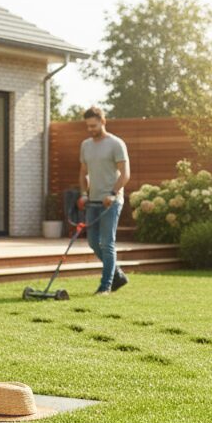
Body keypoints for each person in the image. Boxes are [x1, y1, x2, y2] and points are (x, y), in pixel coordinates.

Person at [79, 106, 130, 294]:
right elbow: (83, 173)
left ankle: (105, 286)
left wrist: (113, 193)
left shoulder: (116, 144)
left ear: (103, 122)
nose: (90, 129)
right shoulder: (85, 145)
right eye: (88, 126)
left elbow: (125, 173)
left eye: (93, 125)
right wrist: (84, 194)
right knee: (93, 242)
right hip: (93, 201)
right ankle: (117, 274)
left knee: (107, 243)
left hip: (111, 201)